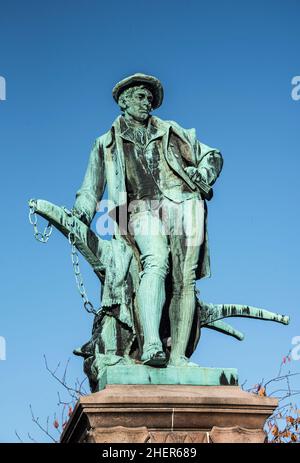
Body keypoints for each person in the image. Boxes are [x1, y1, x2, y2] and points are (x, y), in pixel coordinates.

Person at [73, 73, 223, 367]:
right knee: (156, 259)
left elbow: (212, 155)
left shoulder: (170, 130)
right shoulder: (106, 143)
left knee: (186, 279)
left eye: (149, 98)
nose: (148, 102)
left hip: (182, 205)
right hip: (137, 211)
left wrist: (202, 174)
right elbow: (90, 189)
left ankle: (178, 356)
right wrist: (81, 214)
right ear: (123, 101)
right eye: (141, 97)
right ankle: (151, 344)